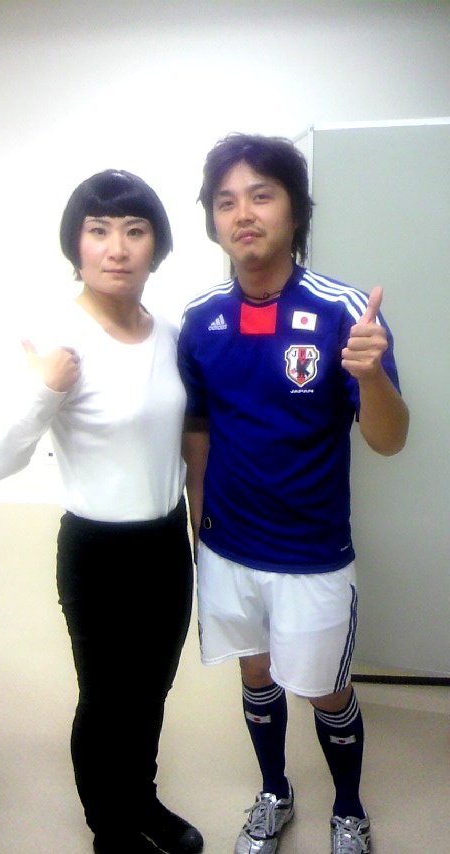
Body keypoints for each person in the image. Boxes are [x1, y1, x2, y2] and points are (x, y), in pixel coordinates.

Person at [178, 133, 409, 854]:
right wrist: (199, 528)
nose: (243, 213)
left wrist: (370, 376)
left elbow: (390, 439)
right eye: (226, 201)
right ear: (213, 219)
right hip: (227, 546)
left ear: (295, 210)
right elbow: (198, 429)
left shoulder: (345, 312)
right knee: (255, 673)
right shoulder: (200, 319)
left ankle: (349, 809)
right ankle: (274, 794)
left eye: (261, 195)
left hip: (312, 552)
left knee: (326, 690)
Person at [0, 169, 204, 854]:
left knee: (151, 689)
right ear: (75, 244)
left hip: (165, 541)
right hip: (96, 550)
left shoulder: (171, 334)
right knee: (106, 698)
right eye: (99, 230)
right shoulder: (57, 338)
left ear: (156, 246)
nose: (117, 247)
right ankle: (110, 828)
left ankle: (142, 799)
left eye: (135, 231)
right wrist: (44, 391)